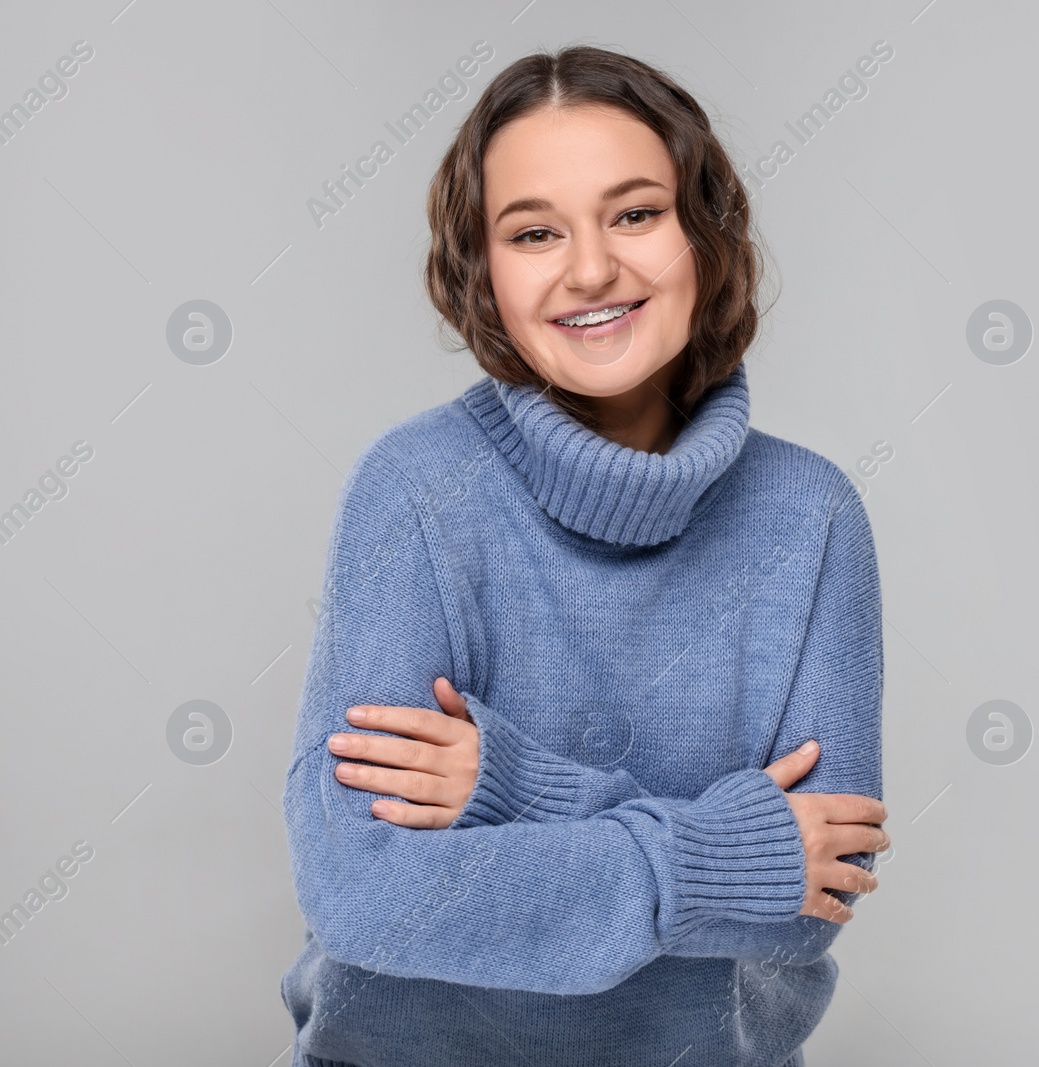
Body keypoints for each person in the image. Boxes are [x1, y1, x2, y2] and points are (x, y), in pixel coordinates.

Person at [278, 44, 889, 1067]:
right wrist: (718, 856)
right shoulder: (415, 489)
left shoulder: (809, 514)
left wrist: (515, 785)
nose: (592, 267)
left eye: (636, 213)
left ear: (706, 232)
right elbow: (368, 895)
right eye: (533, 232)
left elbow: (807, 896)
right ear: (484, 272)